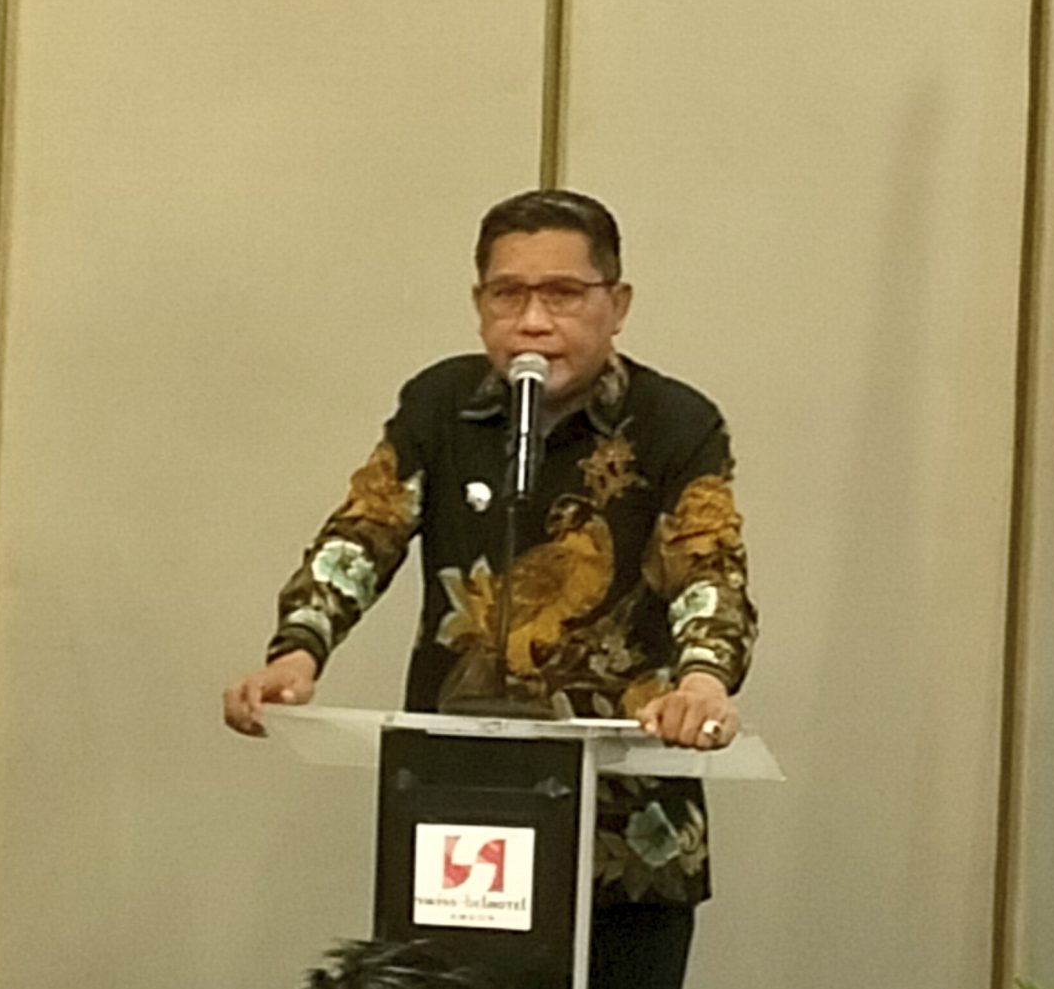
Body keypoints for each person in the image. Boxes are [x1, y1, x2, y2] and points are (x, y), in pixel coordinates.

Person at [224, 188, 758, 989]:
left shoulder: (676, 423)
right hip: (463, 820)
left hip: (626, 832)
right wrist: (297, 651)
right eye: (508, 294)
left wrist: (703, 681)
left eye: (563, 293)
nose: (533, 321)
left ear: (617, 304)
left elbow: (708, 566)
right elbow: (363, 533)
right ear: (480, 305)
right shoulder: (440, 406)